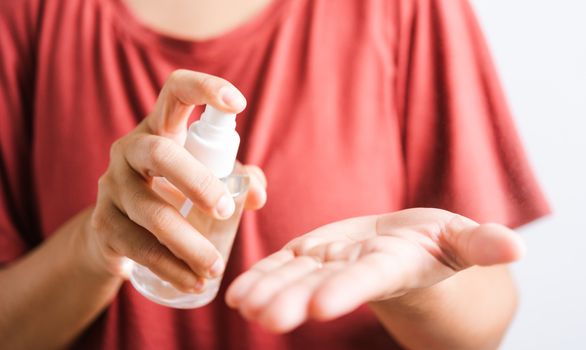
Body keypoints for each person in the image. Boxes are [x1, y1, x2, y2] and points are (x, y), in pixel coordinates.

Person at [0, 0, 550, 349]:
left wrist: (414, 286)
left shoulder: (406, 9)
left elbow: (484, 327)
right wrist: (95, 245)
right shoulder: (24, 18)